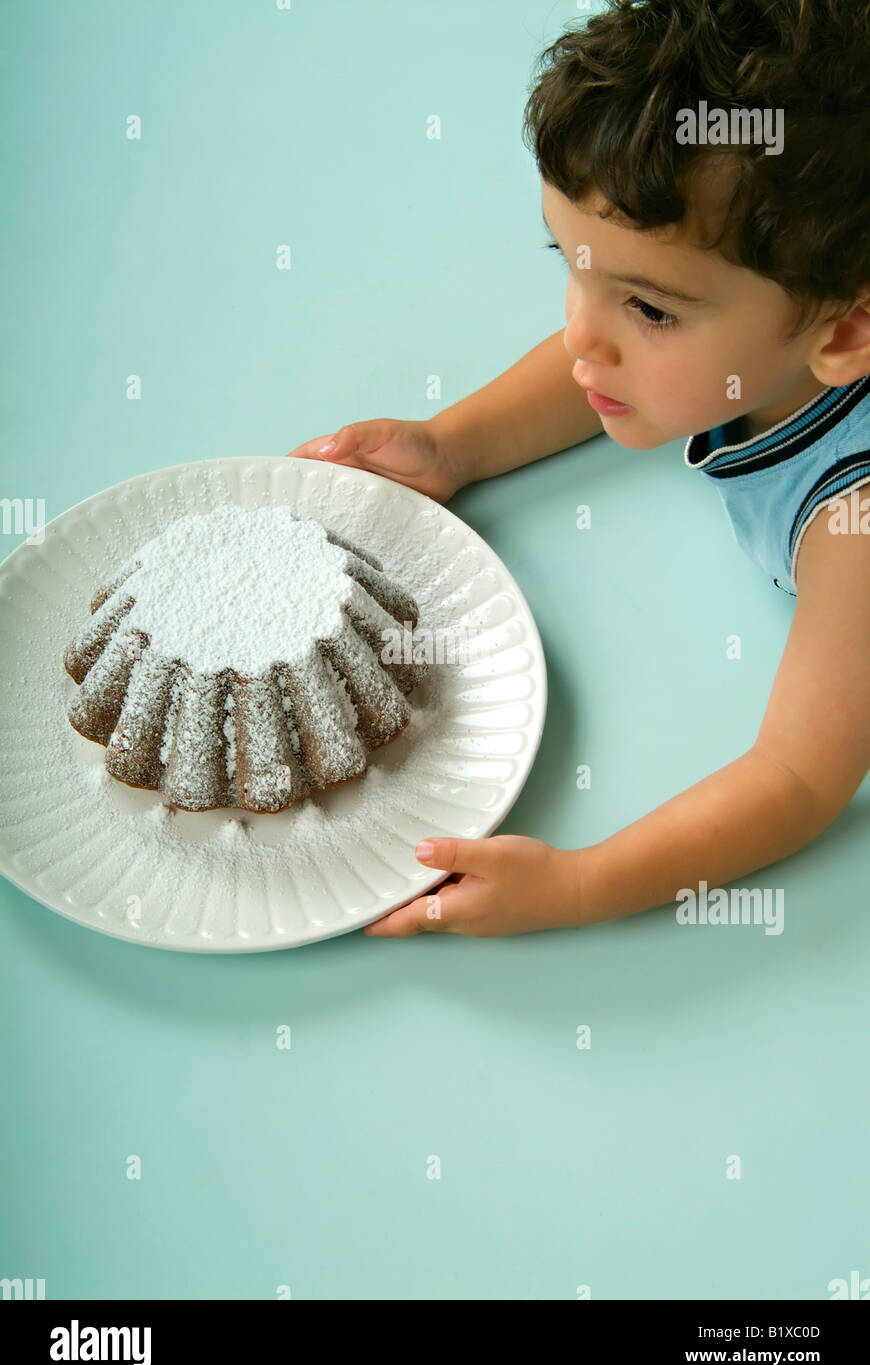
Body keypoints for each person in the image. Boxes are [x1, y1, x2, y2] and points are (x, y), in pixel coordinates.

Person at [288, 0, 870, 938]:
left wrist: (581, 885)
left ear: (843, 330)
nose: (578, 335)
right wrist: (454, 443)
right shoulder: (756, 327)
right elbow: (598, 373)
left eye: (648, 309)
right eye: (572, 263)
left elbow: (799, 777)